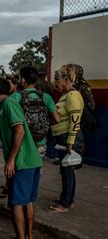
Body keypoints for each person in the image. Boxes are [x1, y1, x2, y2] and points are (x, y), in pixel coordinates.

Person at [0, 78, 43, 239]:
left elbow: (19, 131)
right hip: (32, 160)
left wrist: (11, 160)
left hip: (22, 162)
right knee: (27, 201)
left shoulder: (8, 105)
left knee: (16, 204)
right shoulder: (8, 105)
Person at [48, 66, 85, 213]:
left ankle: (65, 203)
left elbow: (75, 121)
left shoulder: (72, 96)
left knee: (67, 171)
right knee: (66, 170)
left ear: (66, 80)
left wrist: (70, 142)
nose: (55, 83)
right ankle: (68, 199)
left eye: (57, 79)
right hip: (63, 137)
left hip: (67, 138)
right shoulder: (66, 95)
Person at [9, 66, 58, 158]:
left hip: (23, 143)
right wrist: (43, 124)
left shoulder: (15, 97)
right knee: (38, 168)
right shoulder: (46, 97)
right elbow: (57, 119)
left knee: (23, 169)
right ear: (36, 80)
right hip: (41, 142)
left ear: (23, 80)